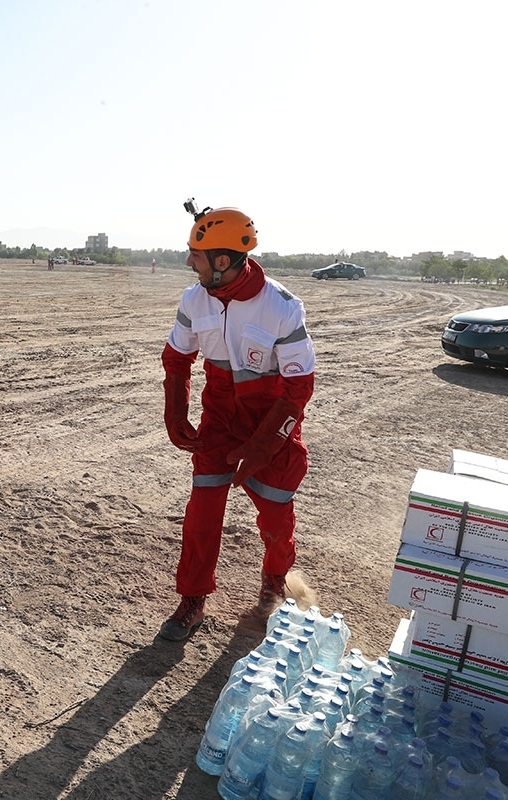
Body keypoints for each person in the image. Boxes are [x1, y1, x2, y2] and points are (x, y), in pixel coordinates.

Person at [157, 205, 316, 642]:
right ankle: (192, 599)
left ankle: (275, 584)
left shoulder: (283, 308)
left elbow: (298, 389)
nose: (190, 262)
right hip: (219, 424)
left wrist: (262, 447)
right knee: (201, 515)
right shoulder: (194, 299)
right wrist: (175, 413)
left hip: (271, 428)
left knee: (276, 519)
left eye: (197, 254)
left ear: (222, 261)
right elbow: (177, 357)